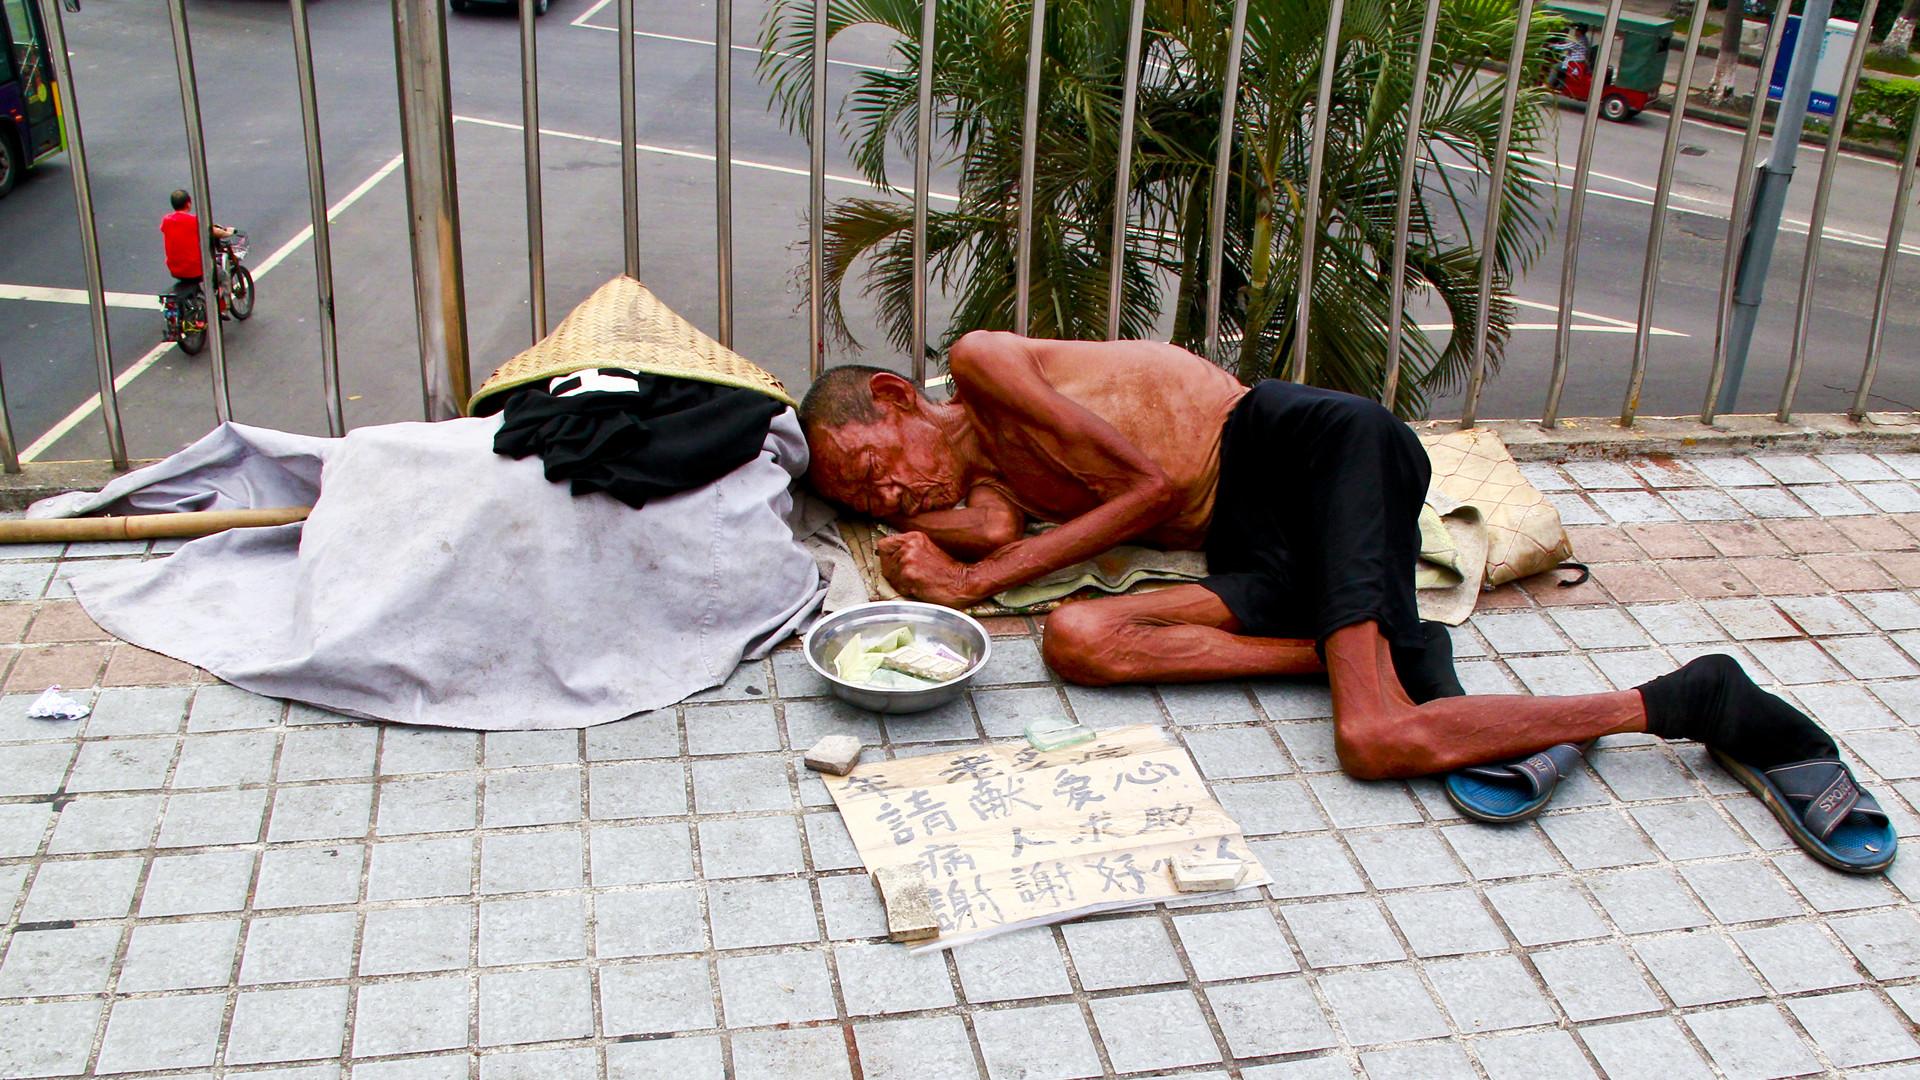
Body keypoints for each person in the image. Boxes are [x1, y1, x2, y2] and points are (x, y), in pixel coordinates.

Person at [801, 333, 1895, 873]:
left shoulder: (984, 363)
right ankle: (1384, 661)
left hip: (1307, 449)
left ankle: (1702, 701)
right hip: (1251, 543)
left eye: (872, 458)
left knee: (1374, 742)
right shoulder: (979, 479)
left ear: (897, 395)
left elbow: (1145, 489)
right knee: (1080, 639)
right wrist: (920, 550)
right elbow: (984, 531)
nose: (884, 490)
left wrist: (979, 584)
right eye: (858, 494)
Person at [161, 189, 233, 315]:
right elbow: (214, 232)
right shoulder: (194, 221)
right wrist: (228, 232)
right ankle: (223, 307)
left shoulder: (166, 220)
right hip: (195, 269)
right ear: (188, 203)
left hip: (175, 268)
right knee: (223, 276)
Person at [1551, 24, 1592, 92]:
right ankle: (1560, 85)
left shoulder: (1580, 39)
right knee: (1562, 63)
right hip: (1574, 62)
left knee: (1555, 66)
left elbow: (1567, 47)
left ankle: (1549, 85)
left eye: (1576, 30)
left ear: (1580, 31)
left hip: (1575, 64)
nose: (1575, 32)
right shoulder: (1583, 38)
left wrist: (1553, 46)